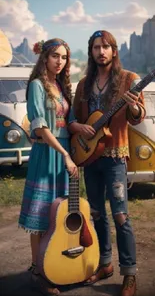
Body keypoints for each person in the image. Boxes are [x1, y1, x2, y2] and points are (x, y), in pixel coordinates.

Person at [69, 30, 146, 296]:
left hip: (115, 157)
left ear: (114, 50)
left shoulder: (129, 80)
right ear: (90, 52)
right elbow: (75, 120)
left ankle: (130, 274)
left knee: (121, 215)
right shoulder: (83, 84)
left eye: (105, 47)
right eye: (95, 47)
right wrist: (79, 129)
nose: (101, 52)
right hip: (89, 158)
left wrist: (134, 106)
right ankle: (105, 264)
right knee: (97, 214)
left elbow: (137, 117)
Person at [18, 38, 78, 295]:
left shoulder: (61, 87)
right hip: (48, 155)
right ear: (44, 57)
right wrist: (65, 153)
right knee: (42, 216)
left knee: (61, 216)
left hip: (65, 158)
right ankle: (37, 270)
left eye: (64, 57)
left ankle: (55, 265)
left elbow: (70, 122)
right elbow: (40, 128)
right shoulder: (37, 86)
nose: (60, 61)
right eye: (55, 55)